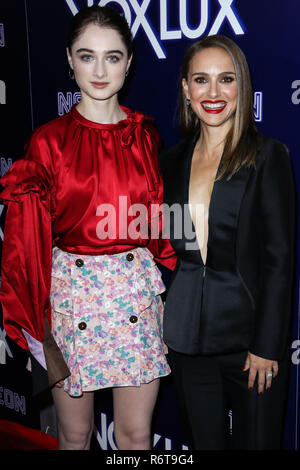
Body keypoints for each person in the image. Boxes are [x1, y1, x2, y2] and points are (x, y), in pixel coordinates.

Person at [0, 5, 176, 450]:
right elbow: (24, 241)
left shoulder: (145, 134)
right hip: (71, 298)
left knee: (135, 437)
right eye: (87, 55)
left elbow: (156, 220)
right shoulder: (47, 142)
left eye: (112, 57)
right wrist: (30, 320)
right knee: (75, 436)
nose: (99, 70)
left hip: (132, 294)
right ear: (69, 59)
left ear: (129, 62)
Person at [159, 35, 295, 450]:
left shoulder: (267, 156)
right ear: (186, 88)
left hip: (250, 345)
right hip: (188, 345)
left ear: (242, 86)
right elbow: (178, 252)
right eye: (201, 80)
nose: (213, 93)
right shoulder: (170, 161)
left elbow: (279, 259)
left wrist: (267, 345)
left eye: (226, 79)